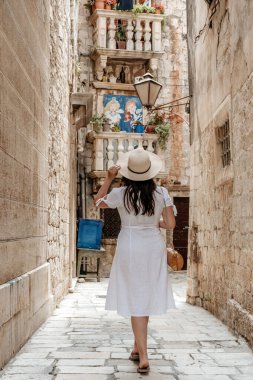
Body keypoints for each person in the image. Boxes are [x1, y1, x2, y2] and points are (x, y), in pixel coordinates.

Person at [94, 148, 177, 374]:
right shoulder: (161, 193)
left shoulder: (121, 193)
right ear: (150, 173)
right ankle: (136, 348)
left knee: (135, 298)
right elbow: (170, 224)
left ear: (129, 173)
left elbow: (98, 202)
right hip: (152, 246)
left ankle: (144, 356)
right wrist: (152, 224)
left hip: (130, 245)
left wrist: (109, 178)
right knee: (144, 295)